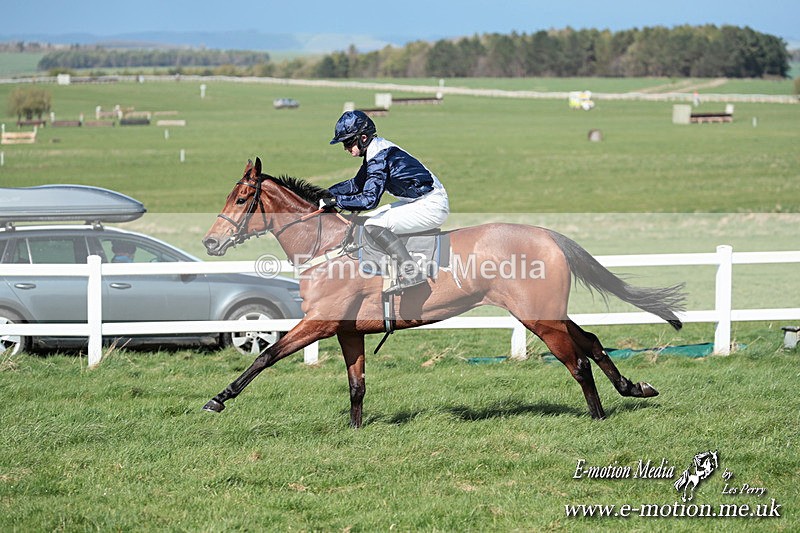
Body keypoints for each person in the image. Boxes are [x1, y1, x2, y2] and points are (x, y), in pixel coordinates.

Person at [325, 110, 449, 292]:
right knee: (369, 220)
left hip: (432, 205)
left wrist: (336, 201)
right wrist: (323, 194)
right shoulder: (375, 151)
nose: (346, 148)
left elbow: (369, 200)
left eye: (348, 142)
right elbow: (356, 185)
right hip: (419, 201)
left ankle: (411, 272)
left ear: (363, 138)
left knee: (373, 224)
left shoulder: (379, 156)